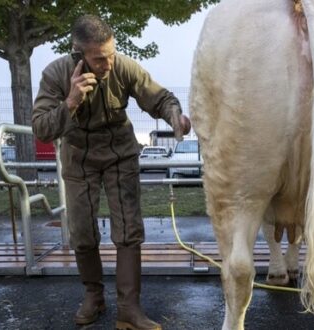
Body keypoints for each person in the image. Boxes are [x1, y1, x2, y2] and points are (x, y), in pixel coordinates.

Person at [32, 15, 191, 330]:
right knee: (81, 230)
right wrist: (71, 102)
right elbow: (41, 128)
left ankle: (129, 309)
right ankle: (94, 296)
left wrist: (175, 117)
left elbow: (160, 98)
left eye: (111, 54)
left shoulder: (123, 66)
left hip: (120, 154)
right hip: (78, 159)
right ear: (79, 55)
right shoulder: (56, 74)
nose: (108, 63)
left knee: (129, 229)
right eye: (100, 59)